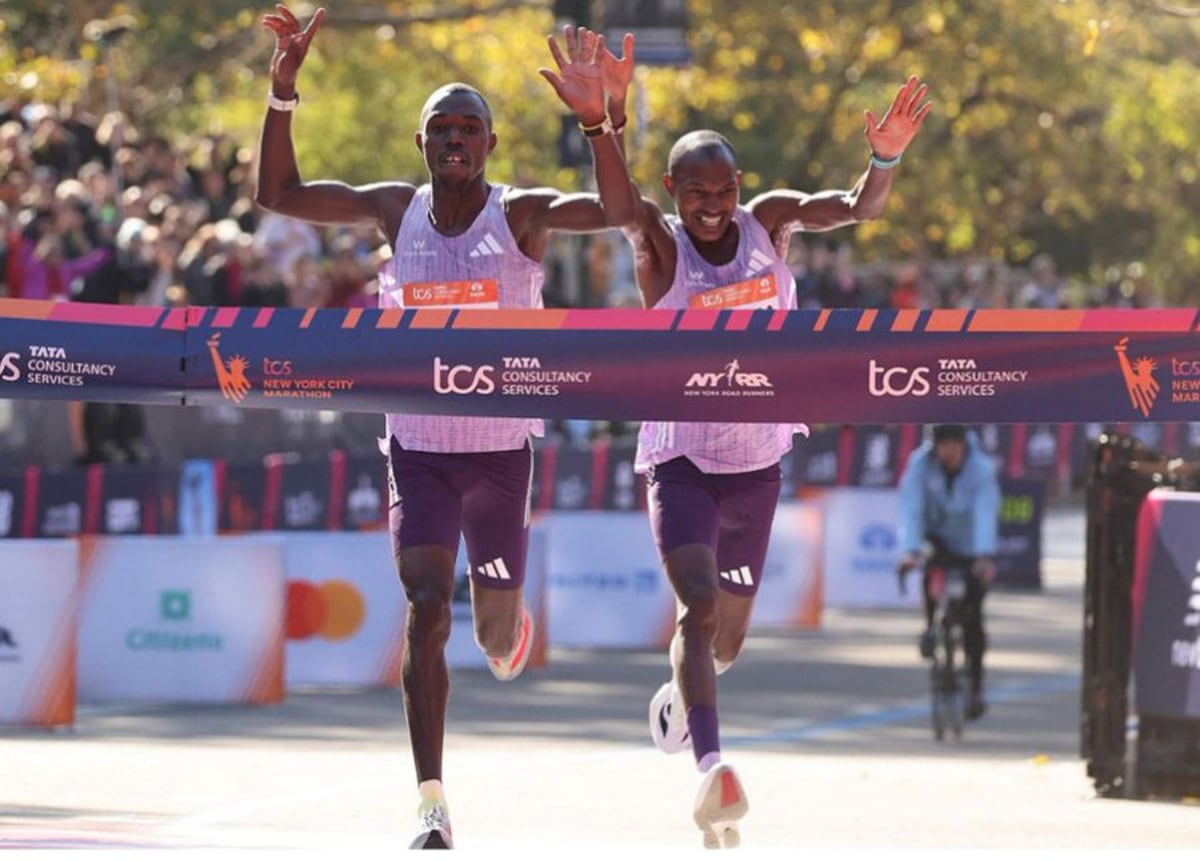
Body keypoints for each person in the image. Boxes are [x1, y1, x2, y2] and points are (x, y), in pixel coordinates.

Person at [257, 6, 636, 849]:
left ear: (491, 144)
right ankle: (431, 797)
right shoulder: (397, 212)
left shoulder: (522, 216)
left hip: (499, 457)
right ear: (421, 142)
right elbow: (276, 195)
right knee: (426, 607)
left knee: (494, 638)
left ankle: (507, 622)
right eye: (441, 128)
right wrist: (283, 93)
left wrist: (597, 121)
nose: (455, 139)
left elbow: (622, 212)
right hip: (419, 454)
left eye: (470, 127)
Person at [582, 45, 930, 847]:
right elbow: (616, 204)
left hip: (757, 461)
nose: (713, 206)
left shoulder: (767, 223)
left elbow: (857, 208)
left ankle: (678, 704)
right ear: (675, 192)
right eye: (697, 193)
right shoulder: (658, 246)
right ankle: (712, 766)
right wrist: (601, 123)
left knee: (726, 639)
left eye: (724, 190)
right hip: (681, 458)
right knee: (696, 609)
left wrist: (884, 157)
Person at [897, 423, 1000, 720]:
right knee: (932, 577)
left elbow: (985, 510)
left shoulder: (980, 469)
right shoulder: (920, 464)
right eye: (941, 445)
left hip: (970, 547)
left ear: (963, 444)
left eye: (953, 445)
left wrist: (984, 554)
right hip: (937, 541)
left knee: (973, 619)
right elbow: (911, 506)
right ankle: (931, 626)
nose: (947, 452)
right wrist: (911, 549)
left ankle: (976, 687)